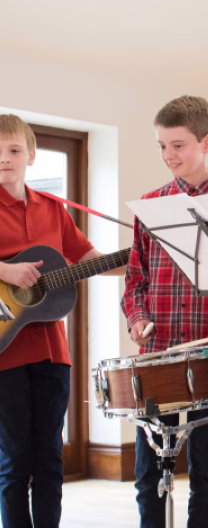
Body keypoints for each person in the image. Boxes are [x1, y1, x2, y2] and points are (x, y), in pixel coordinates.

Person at [121, 96, 208, 528]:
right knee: (148, 475)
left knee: (207, 475)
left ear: (207, 142)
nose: (168, 156)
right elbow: (135, 282)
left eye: (177, 145)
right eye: (162, 146)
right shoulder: (149, 205)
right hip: (156, 357)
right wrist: (137, 317)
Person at [0, 114, 125, 527]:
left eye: (14, 150)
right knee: (14, 459)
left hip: (53, 351)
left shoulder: (54, 209)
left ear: (31, 156)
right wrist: (7, 272)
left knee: (50, 457)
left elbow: (88, 259)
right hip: (5, 352)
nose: (5, 159)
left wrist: (135, 258)